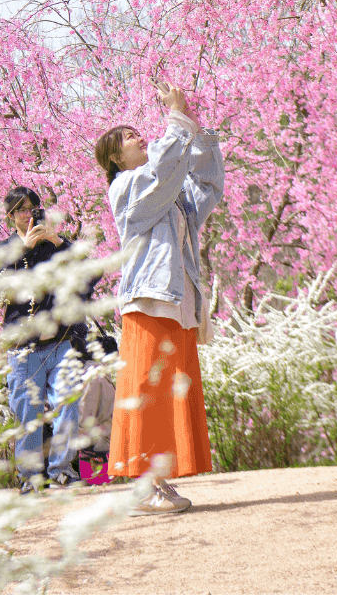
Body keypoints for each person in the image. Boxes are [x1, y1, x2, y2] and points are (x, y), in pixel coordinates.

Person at [95, 83, 224, 516]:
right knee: (148, 393)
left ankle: (159, 482)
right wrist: (176, 120)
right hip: (149, 300)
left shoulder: (167, 195)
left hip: (177, 303)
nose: (138, 137)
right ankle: (146, 485)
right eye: (128, 136)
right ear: (115, 156)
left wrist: (197, 133)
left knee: (168, 394)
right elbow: (164, 170)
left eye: (138, 131)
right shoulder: (127, 188)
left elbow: (205, 187)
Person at [0, 186, 91, 492]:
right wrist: (23, 248)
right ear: (11, 216)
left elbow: (88, 276)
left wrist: (58, 241)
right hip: (24, 348)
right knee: (27, 412)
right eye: (21, 210)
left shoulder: (55, 245)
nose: (28, 215)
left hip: (61, 340)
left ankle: (62, 470)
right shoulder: (4, 251)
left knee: (68, 402)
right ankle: (31, 478)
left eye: (33, 208)